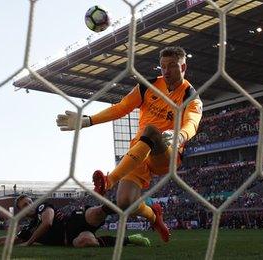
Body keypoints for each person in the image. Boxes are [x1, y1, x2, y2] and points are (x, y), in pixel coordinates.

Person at [56, 46, 203, 242]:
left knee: (151, 130)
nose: (166, 71)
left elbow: (192, 123)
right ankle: (154, 215)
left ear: (183, 67)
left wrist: (180, 136)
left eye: (172, 66)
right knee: (124, 202)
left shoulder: (190, 96)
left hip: (166, 153)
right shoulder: (147, 86)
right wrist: (88, 120)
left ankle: (109, 180)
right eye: (163, 66)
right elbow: (122, 107)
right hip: (138, 153)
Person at [0, 195, 150, 248]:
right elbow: (8, 239)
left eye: (30, 202)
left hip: (75, 220)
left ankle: (133, 208)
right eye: (25, 205)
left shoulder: (43, 207)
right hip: (71, 238)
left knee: (97, 212)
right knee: (87, 241)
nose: (30, 205)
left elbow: (48, 223)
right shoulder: (29, 228)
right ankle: (130, 239)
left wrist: (29, 243)